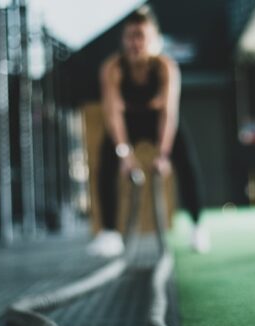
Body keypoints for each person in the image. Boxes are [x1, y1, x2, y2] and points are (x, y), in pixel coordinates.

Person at [87, 6, 209, 257]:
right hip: (127, 123)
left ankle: (197, 227)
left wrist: (163, 156)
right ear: (123, 40)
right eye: (130, 36)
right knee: (105, 161)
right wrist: (124, 155)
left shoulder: (165, 68)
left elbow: (168, 114)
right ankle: (109, 233)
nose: (135, 43)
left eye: (141, 36)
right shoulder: (112, 69)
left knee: (186, 161)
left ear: (154, 39)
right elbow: (113, 115)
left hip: (157, 122)